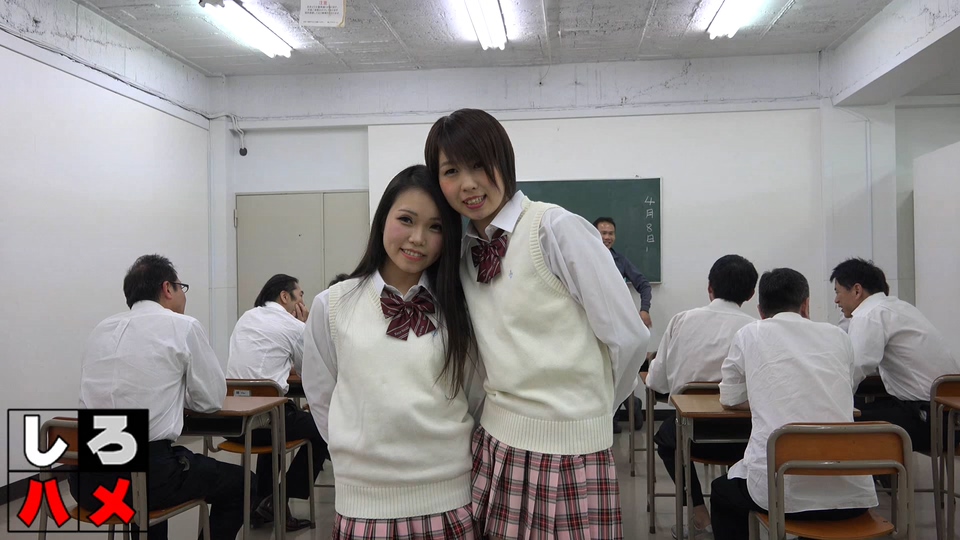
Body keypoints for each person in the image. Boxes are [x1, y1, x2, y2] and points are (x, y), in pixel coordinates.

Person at [426, 108, 649, 539]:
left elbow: (629, 337)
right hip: (497, 445)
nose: (468, 184)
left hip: (571, 453)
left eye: (478, 164)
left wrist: (590, 413)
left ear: (504, 160)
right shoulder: (464, 254)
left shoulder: (554, 228)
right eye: (451, 171)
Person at [301, 165, 484, 539]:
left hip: (449, 499)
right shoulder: (332, 305)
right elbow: (322, 397)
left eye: (435, 227)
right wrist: (357, 458)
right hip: (364, 505)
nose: (418, 238)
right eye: (406, 220)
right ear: (382, 218)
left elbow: (476, 397)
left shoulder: (459, 310)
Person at [71, 254, 249, 540]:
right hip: (144, 480)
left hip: (86, 481)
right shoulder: (184, 326)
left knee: (156, 470)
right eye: (182, 288)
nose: (183, 295)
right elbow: (211, 400)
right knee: (242, 484)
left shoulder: (101, 329)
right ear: (167, 288)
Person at [710, 268, 877, 540]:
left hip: (780, 497)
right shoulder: (838, 336)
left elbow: (729, 398)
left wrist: (765, 400)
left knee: (722, 492)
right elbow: (844, 389)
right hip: (851, 498)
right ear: (805, 305)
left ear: (761, 310)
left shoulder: (750, 333)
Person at [647, 254, 758, 539]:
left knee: (666, 439)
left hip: (691, 434)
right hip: (744, 438)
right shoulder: (755, 330)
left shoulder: (681, 321)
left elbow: (657, 382)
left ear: (710, 287)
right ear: (750, 294)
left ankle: (699, 513)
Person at [226, 273, 328, 531]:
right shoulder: (293, 325)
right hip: (267, 422)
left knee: (278, 421)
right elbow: (309, 370)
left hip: (234, 423)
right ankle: (278, 500)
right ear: (285, 296)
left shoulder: (246, 317)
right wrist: (304, 327)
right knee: (325, 429)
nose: (302, 302)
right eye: (300, 295)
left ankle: (261, 504)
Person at [831, 257, 960, 452]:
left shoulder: (869, 314)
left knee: (836, 422)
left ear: (857, 290)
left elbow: (857, 366)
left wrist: (831, 400)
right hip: (946, 414)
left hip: (929, 420)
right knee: (856, 406)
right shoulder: (895, 307)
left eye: (837, 292)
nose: (836, 300)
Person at [593, 216, 653, 328]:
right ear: (593, 234)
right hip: (589, 318)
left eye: (611, 234)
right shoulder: (583, 258)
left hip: (614, 319)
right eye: (603, 233)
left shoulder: (620, 261)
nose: (607, 237)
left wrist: (644, 309)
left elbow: (644, 285)